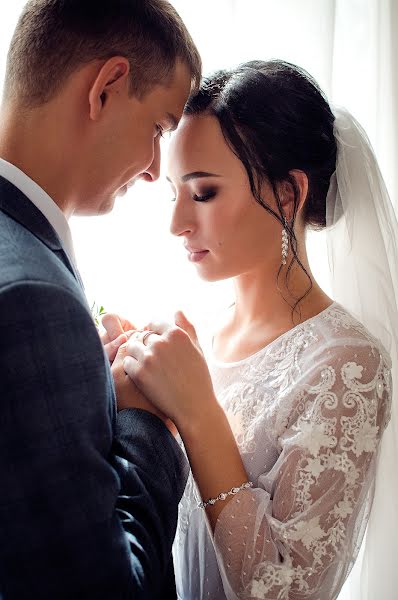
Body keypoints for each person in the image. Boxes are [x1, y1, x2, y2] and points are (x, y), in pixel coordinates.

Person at [105, 60, 398, 599]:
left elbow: (289, 590)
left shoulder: (348, 366)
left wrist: (198, 414)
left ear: (288, 195)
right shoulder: (200, 335)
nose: (177, 223)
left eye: (205, 193)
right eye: (174, 193)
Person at [0, 1, 201, 598]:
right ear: (107, 87)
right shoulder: (35, 297)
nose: (152, 168)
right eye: (160, 128)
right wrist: (141, 416)